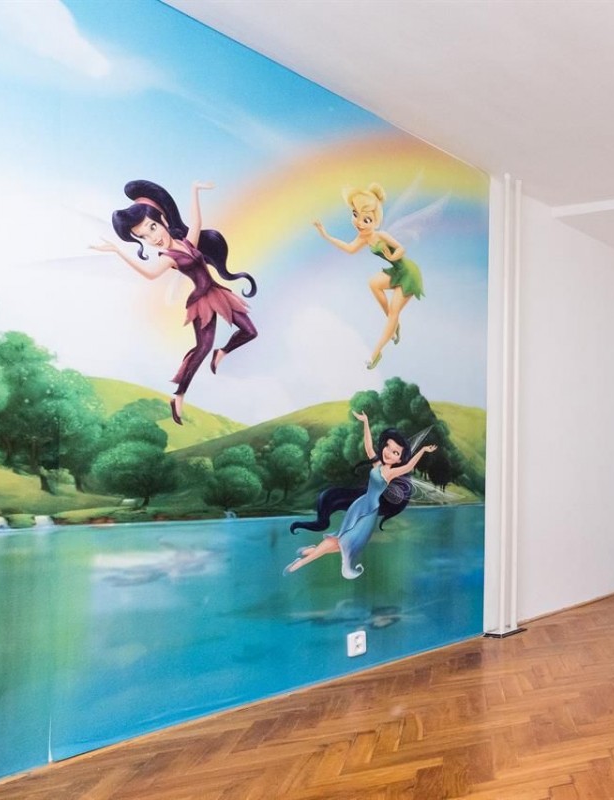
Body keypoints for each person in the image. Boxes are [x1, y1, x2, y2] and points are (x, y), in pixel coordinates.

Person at [91, 180, 258, 425]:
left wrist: (194, 191)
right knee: (201, 349)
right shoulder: (168, 257)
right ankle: (178, 396)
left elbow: (197, 223)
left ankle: (221, 352)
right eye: (143, 236)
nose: (153, 238)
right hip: (202, 301)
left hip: (217, 293)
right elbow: (150, 274)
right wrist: (118, 252)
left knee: (250, 332)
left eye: (153, 227)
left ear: (163, 220)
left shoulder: (187, 242)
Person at [285, 411, 436, 579]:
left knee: (348, 542)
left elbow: (408, 467)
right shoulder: (378, 464)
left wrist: (423, 450)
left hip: (369, 512)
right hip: (360, 505)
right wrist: (365, 422)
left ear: (399, 459)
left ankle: (311, 552)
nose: (388, 452)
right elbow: (368, 447)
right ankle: (301, 563)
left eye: (395, 452)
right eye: (388, 447)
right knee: (344, 540)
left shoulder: (390, 473)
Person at [313, 183, 424, 370]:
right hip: (397, 271)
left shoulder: (381, 235)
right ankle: (394, 323)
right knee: (373, 283)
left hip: (408, 274)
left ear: (375, 221)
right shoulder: (363, 238)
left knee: (394, 313)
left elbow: (401, 249)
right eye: (355, 215)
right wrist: (326, 235)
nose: (359, 223)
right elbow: (349, 249)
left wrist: (392, 257)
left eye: (366, 220)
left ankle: (375, 354)